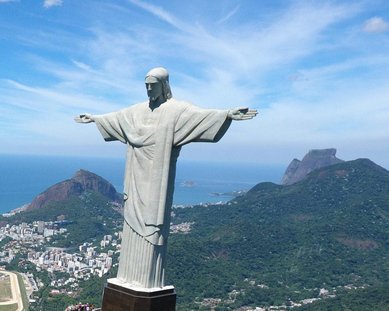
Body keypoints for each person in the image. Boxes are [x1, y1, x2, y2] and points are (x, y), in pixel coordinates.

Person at [76, 67, 257, 289]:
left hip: (156, 183)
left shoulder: (177, 110)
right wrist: (95, 119)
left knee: (153, 228)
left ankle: (148, 281)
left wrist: (227, 114)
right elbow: (117, 118)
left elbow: (201, 117)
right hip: (134, 179)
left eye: (154, 85)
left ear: (164, 85)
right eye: (146, 85)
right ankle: (128, 277)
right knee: (131, 227)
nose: (150, 89)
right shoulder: (136, 111)